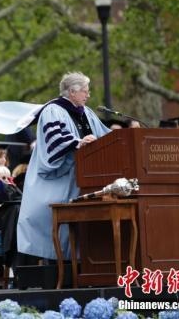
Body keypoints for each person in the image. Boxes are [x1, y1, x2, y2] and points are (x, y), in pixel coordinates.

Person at [17, 72, 110, 261]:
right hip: (59, 179)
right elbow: (55, 140)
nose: (88, 95)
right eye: (85, 91)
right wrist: (78, 143)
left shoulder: (88, 113)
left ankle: (83, 264)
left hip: (83, 179)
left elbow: (107, 138)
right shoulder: (53, 110)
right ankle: (61, 266)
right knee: (57, 224)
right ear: (72, 92)